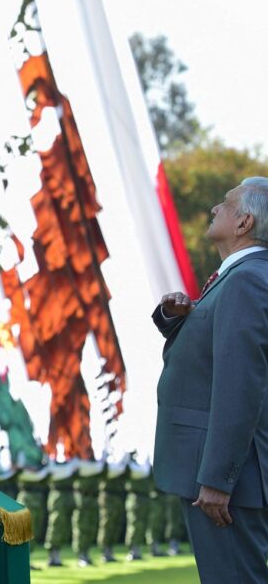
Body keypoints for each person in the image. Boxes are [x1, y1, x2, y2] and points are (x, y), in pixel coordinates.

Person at [153, 178, 268, 583]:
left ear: (244, 223)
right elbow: (209, 358)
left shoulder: (246, 279)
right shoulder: (238, 277)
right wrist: (174, 317)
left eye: (226, 203)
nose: (215, 208)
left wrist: (218, 480)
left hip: (226, 483)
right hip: (223, 475)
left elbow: (240, 386)